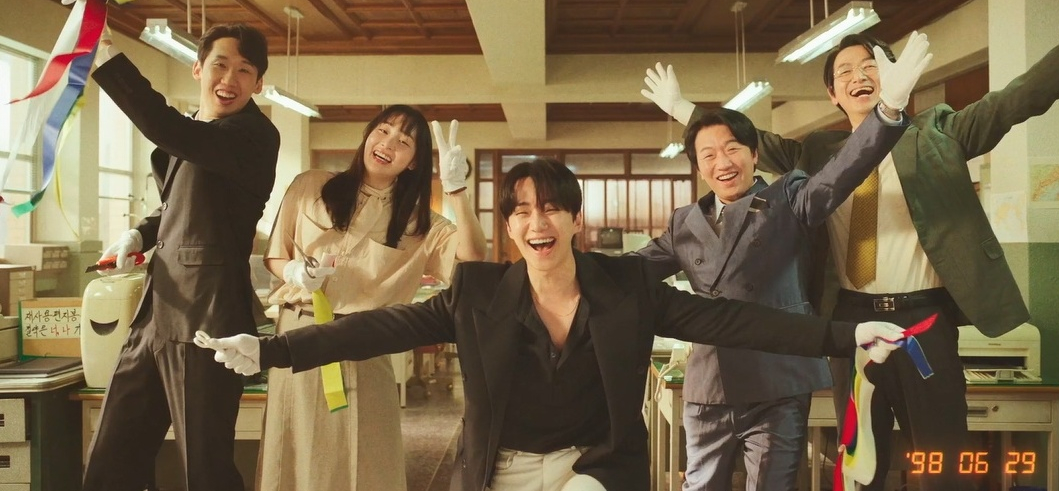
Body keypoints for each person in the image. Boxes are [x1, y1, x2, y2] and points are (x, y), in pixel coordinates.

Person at [197, 157, 906, 491]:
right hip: (501, 467)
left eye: (550, 208)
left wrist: (845, 336)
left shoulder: (627, 287)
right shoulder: (476, 293)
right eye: (521, 211)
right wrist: (269, 348)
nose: (537, 222)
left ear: (574, 221)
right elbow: (375, 329)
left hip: (589, 465)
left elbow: (733, 320)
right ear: (509, 227)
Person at [643, 15, 1059, 490]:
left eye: (869, 66)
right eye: (844, 72)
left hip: (922, 321)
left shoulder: (940, 133)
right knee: (861, 462)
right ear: (833, 95)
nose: (858, 76)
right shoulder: (817, 154)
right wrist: (683, 109)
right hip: (850, 323)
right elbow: (740, 145)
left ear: (894, 75)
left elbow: (1015, 101)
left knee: (943, 461)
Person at [632, 32, 930, 491]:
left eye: (733, 148)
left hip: (779, 379)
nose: (722, 161)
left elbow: (839, 173)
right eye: (708, 155)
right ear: (698, 166)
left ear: (755, 155)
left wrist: (888, 110)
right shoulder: (684, 223)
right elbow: (633, 270)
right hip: (709, 386)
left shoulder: (788, 197)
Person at [85, 23, 279, 491]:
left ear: (258, 83)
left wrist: (106, 53)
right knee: (113, 456)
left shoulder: (253, 135)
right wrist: (138, 234)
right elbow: (178, 205)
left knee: (205, 467)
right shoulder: (197, 130)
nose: (229, 79)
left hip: (209, 320)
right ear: (197, 69)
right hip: (155, 313)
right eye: (219, 65)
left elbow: (167, 128)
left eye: (244, 70)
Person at [257, 104, 487, 491]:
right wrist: (294, 271)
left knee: (367, 456)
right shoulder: (309, 185)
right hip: (299, 331)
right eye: (383, 131)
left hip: (366, 341)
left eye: (404, 141)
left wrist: (457, 191)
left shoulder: (419, 222)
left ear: (414, 162)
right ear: (368, 135)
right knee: (295, 450)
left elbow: (473, 256)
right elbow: (276, 255)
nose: (388, 144)